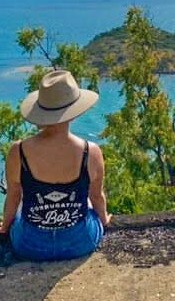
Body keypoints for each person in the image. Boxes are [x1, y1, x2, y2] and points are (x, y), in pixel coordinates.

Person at [0, 70, 111, 261]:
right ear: (73, 112)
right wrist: (104, 219)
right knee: (87, 202)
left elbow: (13, 198)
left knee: (22, 207)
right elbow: (96, 196)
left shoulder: (18, 151)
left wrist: (4, 227)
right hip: (80, 243)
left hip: (29, 245)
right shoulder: (90, 152)